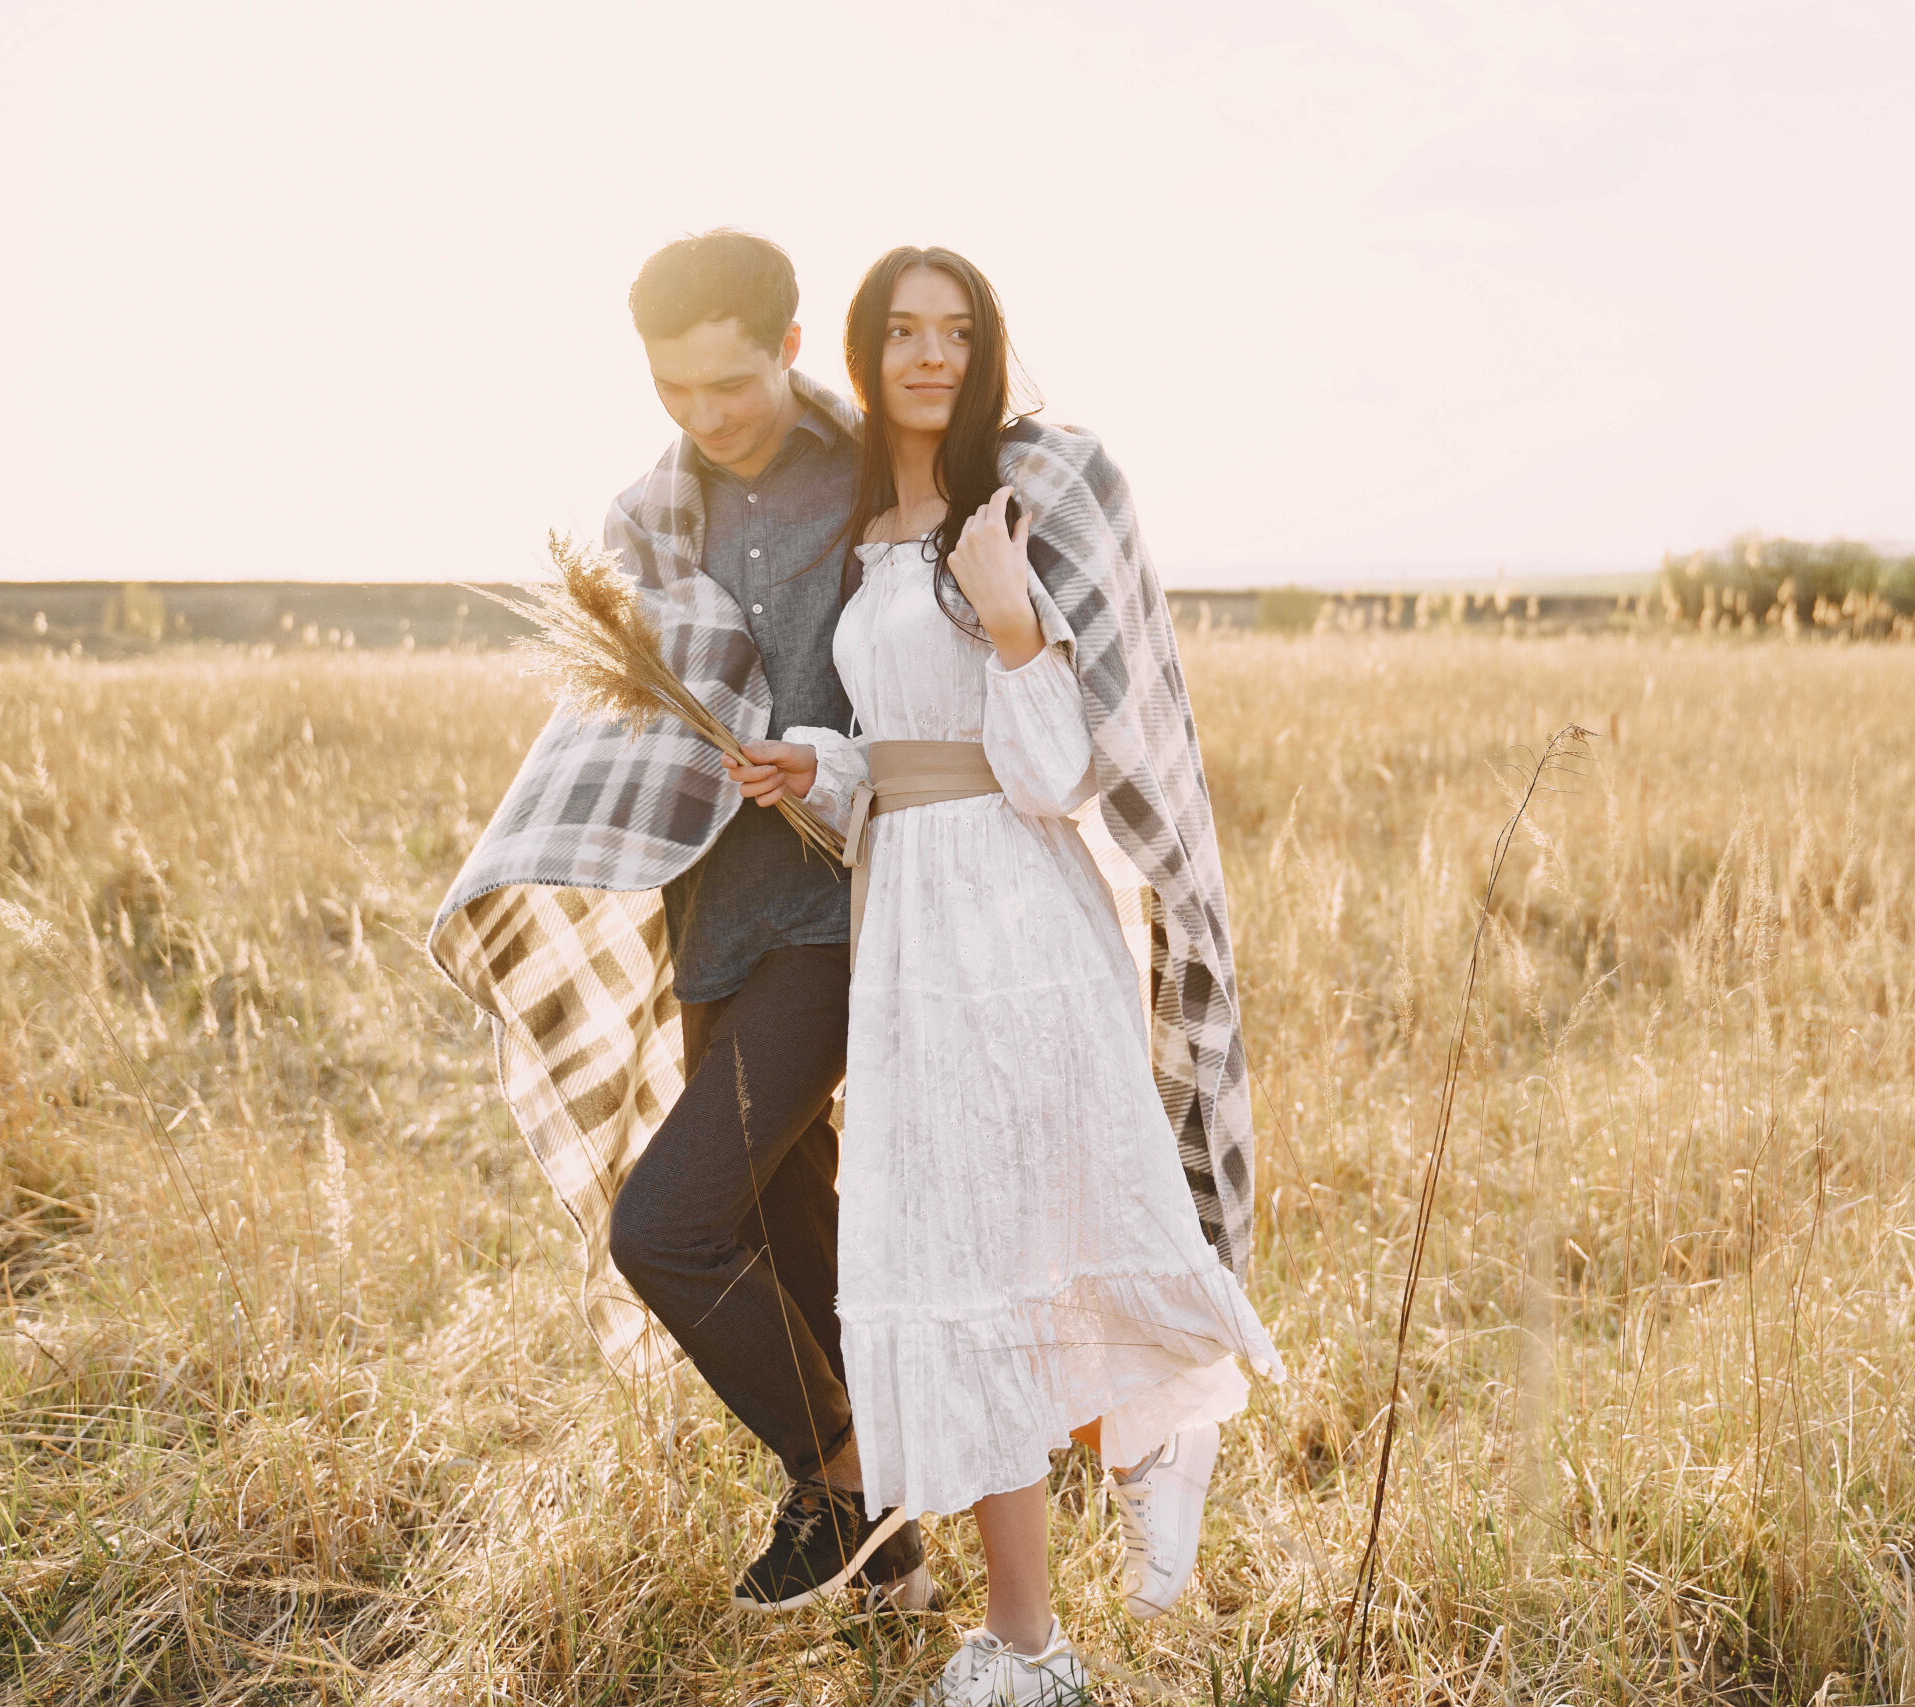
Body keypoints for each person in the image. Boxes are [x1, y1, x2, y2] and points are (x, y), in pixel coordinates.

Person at [730, 246, 1283, 1706]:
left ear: (985, 352)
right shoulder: (867, 529)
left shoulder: (1010, 511)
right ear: (863, 353)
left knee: (1035, 1240)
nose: (930, 356)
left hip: (1021, 927)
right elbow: (905, 757)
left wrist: (1020, 614)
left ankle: (1151, 1441)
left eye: (956, 333)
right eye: (903, 333)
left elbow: (1051, 775)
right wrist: (817, 765)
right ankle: (1026, 1647)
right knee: (950, 1271)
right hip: (909, 923)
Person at [428, 229, 928, 1614]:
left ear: (787, 343)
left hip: (844, 910)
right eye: (673, 390)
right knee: (786, 1231)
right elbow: (628, 714)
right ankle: (897, 1577)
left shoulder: (882, 473)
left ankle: (846, 1479)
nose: (706, 416)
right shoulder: (650, 518)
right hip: (708, 919)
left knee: (668, 1227)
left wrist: (826, 759)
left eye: (730, 382)